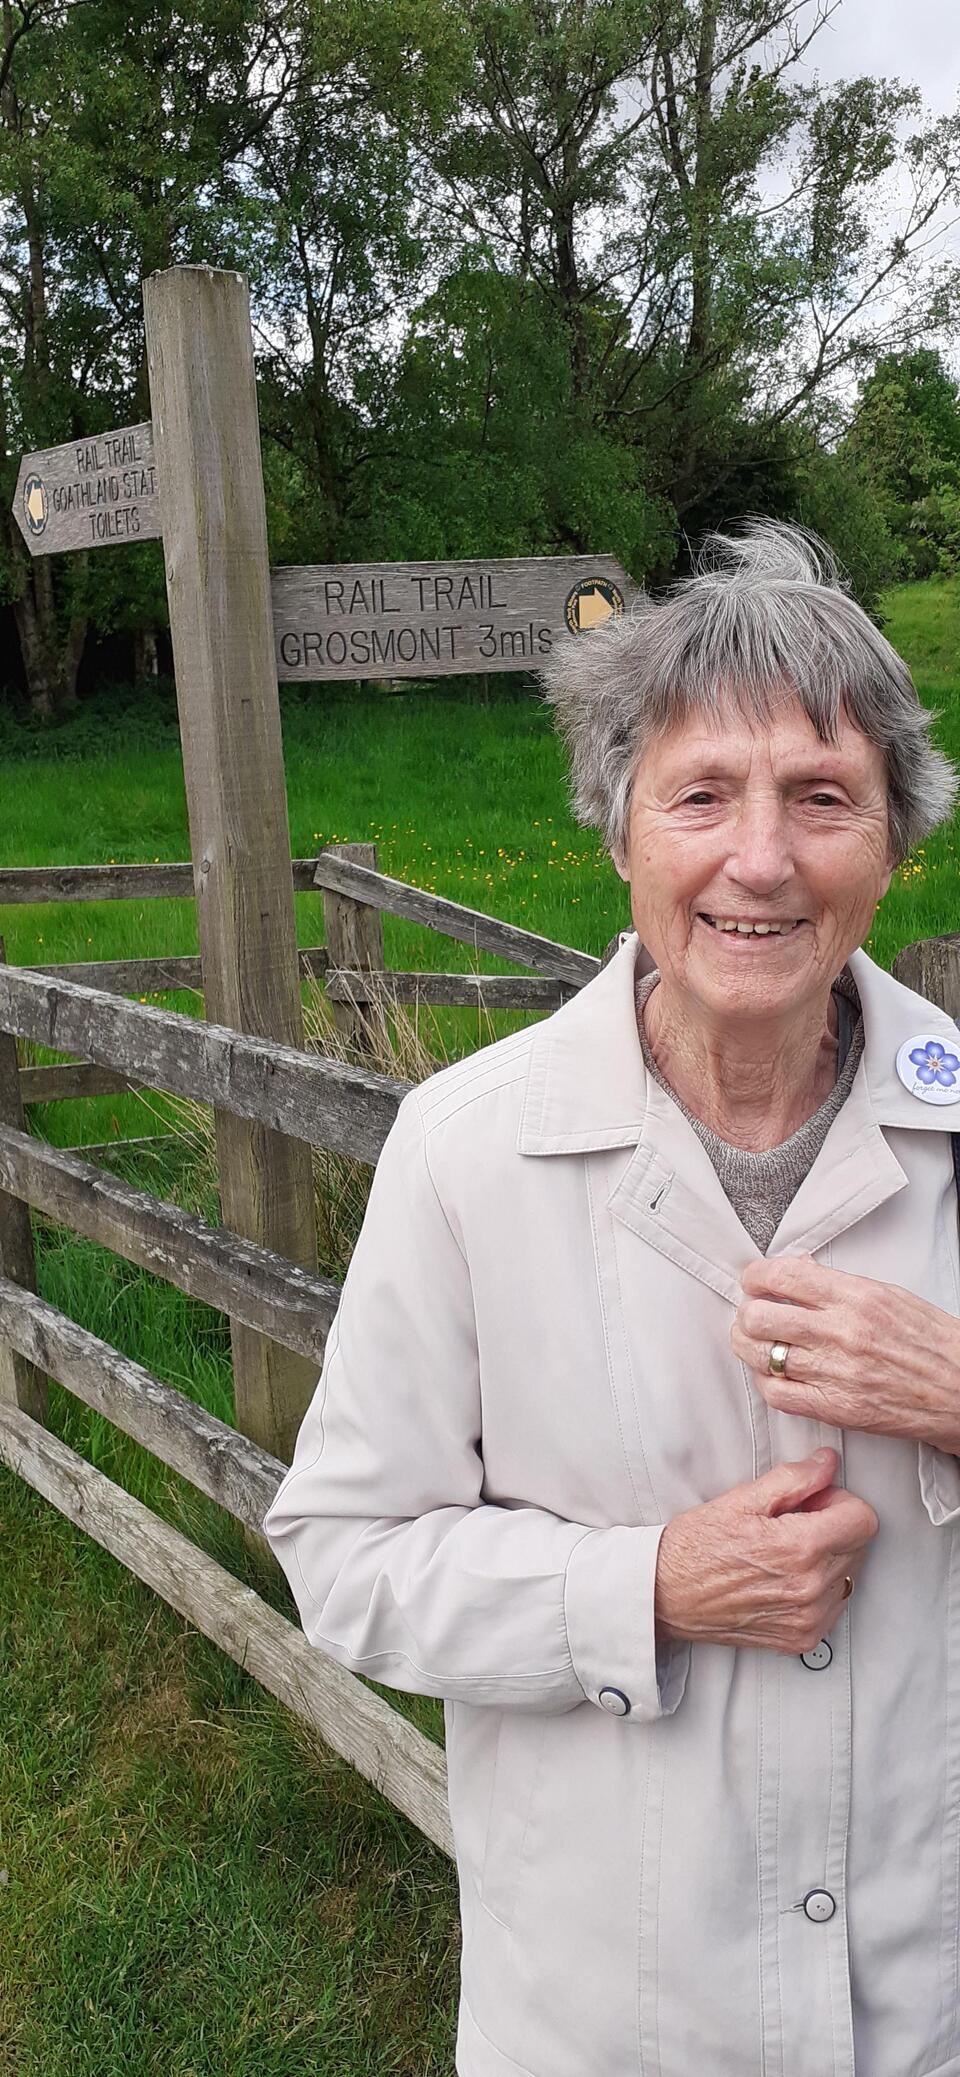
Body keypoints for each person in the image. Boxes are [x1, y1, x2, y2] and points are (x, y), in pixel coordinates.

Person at [262, 518, 960, 2076]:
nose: (761, 858)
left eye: (823, 796)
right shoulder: (467, 1149)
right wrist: (647, 1587)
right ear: (620, 830)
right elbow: (345, 1559)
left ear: (893, 840)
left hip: (929, 2012)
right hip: (610, 2023)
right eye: (702, 795)